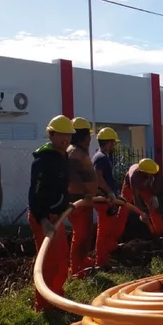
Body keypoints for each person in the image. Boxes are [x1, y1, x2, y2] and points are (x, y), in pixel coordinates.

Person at [28, 115, 73, 311]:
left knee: (62, 259)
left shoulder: (63, 155)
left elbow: (60, 187)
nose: (66, 138)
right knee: (47, 263)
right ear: (52, 135)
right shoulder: (43, 160)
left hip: (57, 217)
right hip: (44, 219)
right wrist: (43, 219)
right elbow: (35, 193)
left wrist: (67, 204)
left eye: (69, 135)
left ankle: (56, 295)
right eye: (61, 134)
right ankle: (44, 304)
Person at [66, 117, 97, 278]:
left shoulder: (78, 152)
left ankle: (81, 261)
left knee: (85, 233)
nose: (90, 139)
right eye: (88, 135)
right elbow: (71, 176)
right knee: (81, 234)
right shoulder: (74, 153)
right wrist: (86, 193)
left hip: (85, 200)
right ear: (83, 136)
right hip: (79, 201)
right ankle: (76, 268)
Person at [91, 127, 125, 267]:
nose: (114, 145)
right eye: (113, 143)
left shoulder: (101, 156)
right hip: (104, 199)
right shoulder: (102, 158)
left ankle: (109, 252)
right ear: (109, 142)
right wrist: (109, 193)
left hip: (108, 198)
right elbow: (98, 177)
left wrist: (116, 196)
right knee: (104, 231)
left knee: (109, 228)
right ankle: (102, 262)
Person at [119, 158, 163, 236]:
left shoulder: (154, 170)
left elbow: (157, 182)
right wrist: (141, 213)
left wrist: (153, 195)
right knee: (123, 208)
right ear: (143, 171)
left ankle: (160, 232)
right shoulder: (134, 177)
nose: (153, 174)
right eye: (151, 173)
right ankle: (117, 235)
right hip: (129, 186)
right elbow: (136, 198)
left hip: (145, 186)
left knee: (154, 208)